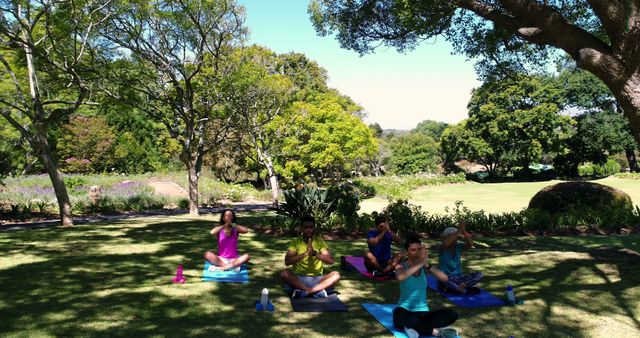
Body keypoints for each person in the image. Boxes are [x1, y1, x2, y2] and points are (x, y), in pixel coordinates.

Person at [393, 235, 459, 338]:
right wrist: (420, 264)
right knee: (401, 316)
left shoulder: (425, 267)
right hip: (404, 311)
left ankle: (413, 328)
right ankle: (436, 332)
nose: (417, 252)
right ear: (407, 252)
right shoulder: (401, 266)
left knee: (452, 313)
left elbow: (445, 278)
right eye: (413, 250)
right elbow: (400, 277)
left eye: (419, 249)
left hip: (423, 313)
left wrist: (426, 265)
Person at [281, 216, 341, 298]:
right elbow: (287, 262)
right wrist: (305, 254)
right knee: (285, 273)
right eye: (306, 227)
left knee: (336, 275)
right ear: (302, 228)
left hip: (318, 279)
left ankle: (307, 292)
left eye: (311, 227)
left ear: (314, 228)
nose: (308, 229)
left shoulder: (319, 241)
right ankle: (315, 291)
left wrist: (315, 254)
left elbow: (330, 261)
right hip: (299, 278)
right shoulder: (296, 242)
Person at [438, 220, 483, 294]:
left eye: (456, 237)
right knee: (444, 280)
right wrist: (458, 231)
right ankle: (463, 290)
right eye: (453, 236)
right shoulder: (442, 248)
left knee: (479, 275)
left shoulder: (458, 247)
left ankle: (459, 288)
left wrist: (464, 231)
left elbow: (471, 244)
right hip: (446, 278)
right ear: (447, 238)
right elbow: (446, 244)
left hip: (458, 278)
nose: (456, 239)